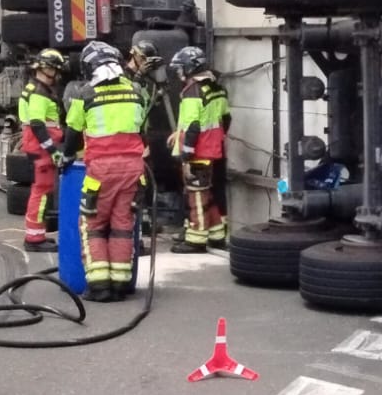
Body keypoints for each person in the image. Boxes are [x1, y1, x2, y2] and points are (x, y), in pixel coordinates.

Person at [63, 40, 148, 303]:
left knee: (93, 224)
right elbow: (142, 128)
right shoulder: (135, 91)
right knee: (123, 224)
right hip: (133, 170)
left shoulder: (85, 94)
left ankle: (99, 286)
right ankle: (121, 284)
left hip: (100, 172)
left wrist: (66, 156)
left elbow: (73, 133)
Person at [169, 45, 230, 253]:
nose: (178, 73)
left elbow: (193, 125)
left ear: (189, 68)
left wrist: (186, 155)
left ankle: (196, 239)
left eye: (180, 68)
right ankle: (217, 234)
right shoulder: (216, 87)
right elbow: (225, 118)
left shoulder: (191, 92)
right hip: (213, 151)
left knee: (196, 197)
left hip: (197, 153)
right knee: (208, 195)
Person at [18, 48, 67, 252]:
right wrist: (52, 149)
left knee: (41, 191)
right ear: (48, 69)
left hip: (37, 146)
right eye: (56, 70)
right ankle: (34, 238)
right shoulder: (39, 93)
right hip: (42, 149)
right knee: (42, 192)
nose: (58, 75)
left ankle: (36, 234)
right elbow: (38, 124)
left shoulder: (34, 87)